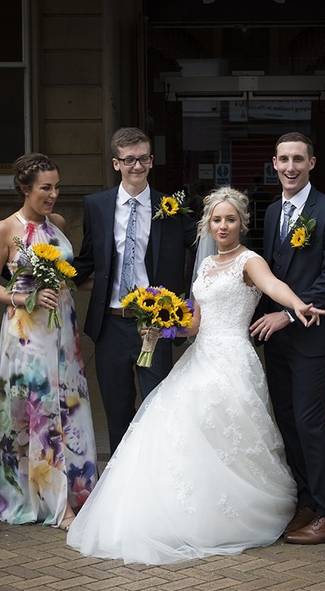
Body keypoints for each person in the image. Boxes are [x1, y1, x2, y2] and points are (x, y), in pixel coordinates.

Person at [67, 187, 322, 564]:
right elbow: (195, 324)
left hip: (233, 357)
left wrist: (297, 304)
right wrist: (161, 327)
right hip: (201, 355)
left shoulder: (250, 261)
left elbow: (273, 286)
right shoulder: (204, 266)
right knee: (173, 426)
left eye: (230, 219)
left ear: (241, 223)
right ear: (208, 224)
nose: (223, 226)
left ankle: (234, 512)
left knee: (226, 434)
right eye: (217, 219)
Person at [0, 154, 97, 530]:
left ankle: (74, 494)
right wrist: (22, 298)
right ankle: (53, 503)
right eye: (45, 188)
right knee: (37, 412)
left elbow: (70, 275)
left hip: (62, 329)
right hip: (27, 333)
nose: (53, 194)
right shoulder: (5, 229)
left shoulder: (59, 224)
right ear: (25, 188)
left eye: (57, 187)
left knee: (68, 408)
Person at [250, 132, 325, 545]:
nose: (290, 167)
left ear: (312, 163)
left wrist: (288, 315)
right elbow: (272, 275)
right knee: (289, 422)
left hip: (313, 332)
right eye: (283, 160)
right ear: (274, 163)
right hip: (278, 337)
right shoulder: (273, 211)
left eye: (298, 159)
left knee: (311, 422)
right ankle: (307, 501)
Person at [72, 127, 197, 454]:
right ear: (116, 163)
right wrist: (54, 277)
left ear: (152, 161)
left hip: (153, 322)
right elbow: (87, 258)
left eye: (143, 159)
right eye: (129, 160)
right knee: (117, 410)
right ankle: (118, 486)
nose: (137, 166)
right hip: (111, 322)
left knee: (157, 405)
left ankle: (156, 478)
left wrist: (191, 301)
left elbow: (198, 251)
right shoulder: (96, 206)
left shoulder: (170, 207)